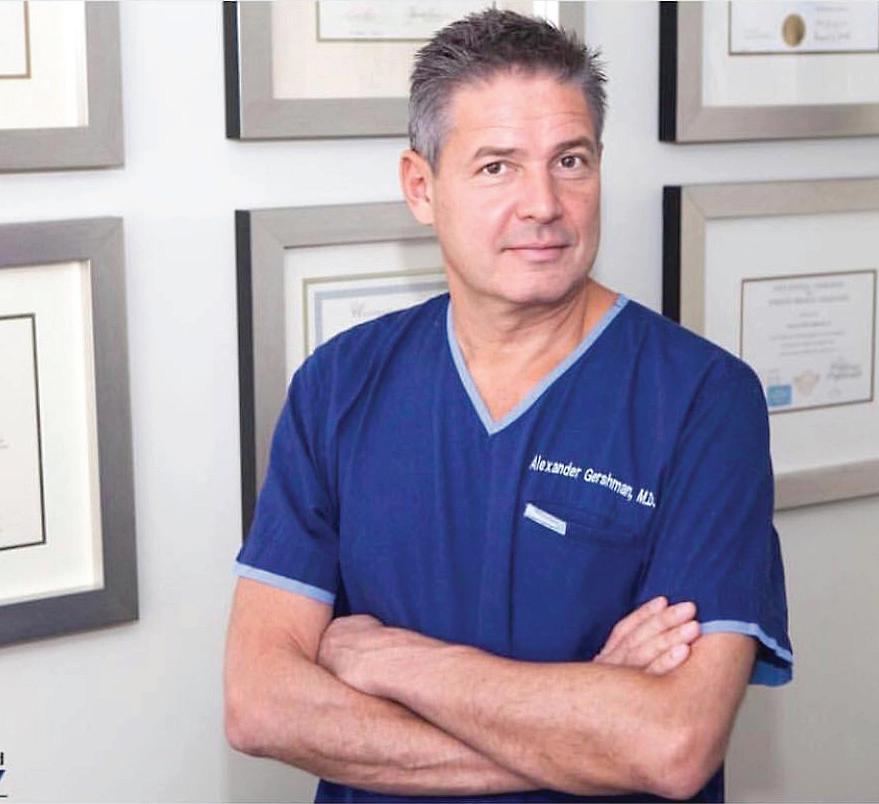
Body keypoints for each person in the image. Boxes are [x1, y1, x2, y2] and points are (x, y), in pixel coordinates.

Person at [224, 9, 792, 803]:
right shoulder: (339, 384)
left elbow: (672, 745)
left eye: (570, 160)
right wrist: (590, 725)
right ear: (420, 187)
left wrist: (396, 663)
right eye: (497, 167)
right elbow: (260, 706)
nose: (543, 204)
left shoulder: (702, 399)